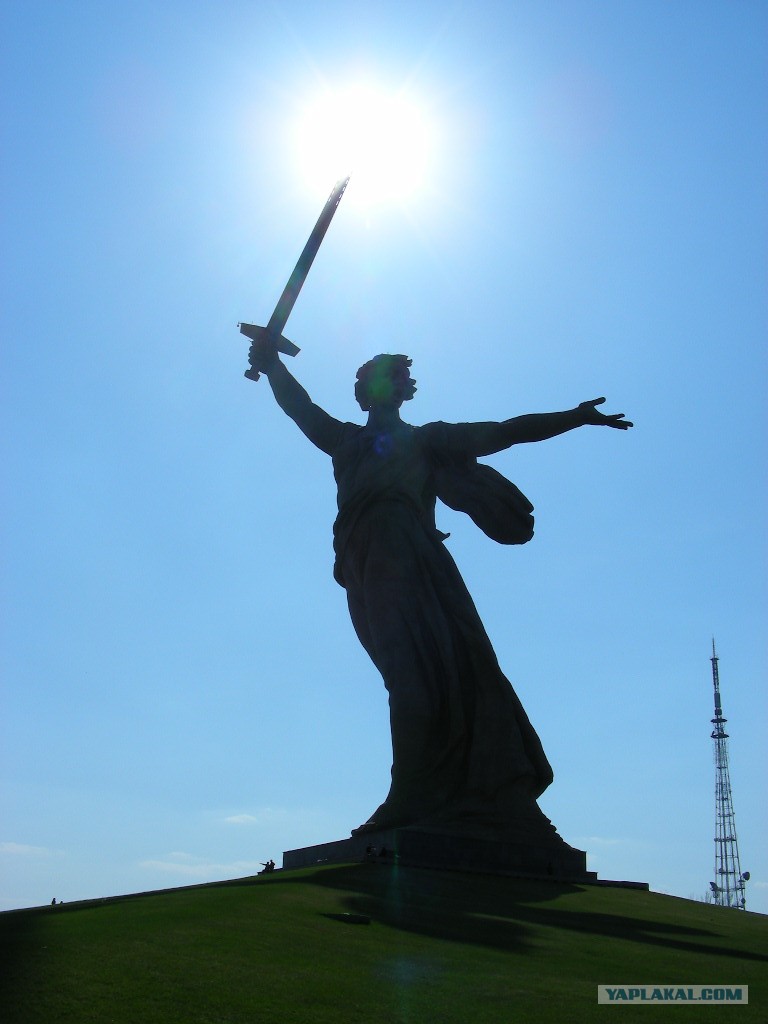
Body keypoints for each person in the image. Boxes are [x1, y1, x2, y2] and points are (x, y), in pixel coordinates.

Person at [249, 335, 632, 840]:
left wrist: (575, 417)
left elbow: (506, 432)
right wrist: (272, 366)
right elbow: (300, 407)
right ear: (363, 393)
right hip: (361, 562)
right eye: (376, 378)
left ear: (402, 390)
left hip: (408, 555)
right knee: (402, 675)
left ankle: (412, 793)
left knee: (415, 673)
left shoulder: (426, 441)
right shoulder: (344, 441)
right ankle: (428, 788)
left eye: (395, 377)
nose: (387, 385)